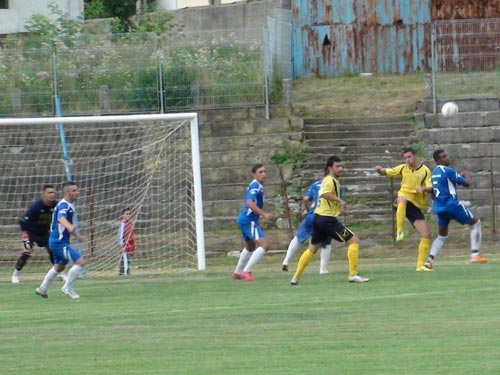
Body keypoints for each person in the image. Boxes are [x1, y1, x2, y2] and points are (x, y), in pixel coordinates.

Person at [291, 155, 369, 285]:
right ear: (330, 168)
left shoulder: (332, 181)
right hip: (327, 220)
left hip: (318, 218)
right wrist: (340, 200)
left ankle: (295, 277)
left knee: (312, 249)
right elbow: (324, 194)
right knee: (354, 240)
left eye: (341, 166)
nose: (340, 169)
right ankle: (353, 274)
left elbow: (325, 200)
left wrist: (340, 209)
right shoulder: (329, 180)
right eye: (337, 166)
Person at [424, 149, 489, 268]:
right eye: (444, 157)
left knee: (442, 236)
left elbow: (433, 193)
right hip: (452, 205)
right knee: (475, 223)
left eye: (446, 156)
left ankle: (429, 260)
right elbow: (467, 184)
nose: (447, 158)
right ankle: (475, 255)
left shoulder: (434, 174)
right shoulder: (448, 170)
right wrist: (467, 175)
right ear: (438, 160)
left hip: (440, 208)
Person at [374, 148, 434, 271]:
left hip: (415, 205)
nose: (407, 160)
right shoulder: (402, 168)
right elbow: (387, 172)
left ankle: (420, 265)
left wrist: (423, 189)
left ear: (415, 156)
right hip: (403, 199)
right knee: (402, 198)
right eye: (405, 158)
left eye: (409, 157)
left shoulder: (425, 170)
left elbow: (430, 187)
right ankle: (399, 231)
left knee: (426, 234)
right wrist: (380, 170)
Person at [35, 181, 87, 299]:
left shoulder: (68, 205)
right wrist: (69, 226)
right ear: (67, 193)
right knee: (81, 262)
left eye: (77, 190)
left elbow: (64, 224)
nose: (77, 192)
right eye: (74, 191)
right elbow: (61, 218)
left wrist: (76, 236)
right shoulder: (64, 205)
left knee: (60, 266)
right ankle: (67, 287)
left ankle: (43, 289)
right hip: (59, 242)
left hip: (56, 241)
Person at [11, 185, 62, 284]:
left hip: (44, 233)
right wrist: (24, 235)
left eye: (53, 193)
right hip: (29, 233)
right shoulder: (36, 206)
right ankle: (15, 274)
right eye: (49, 193)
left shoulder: (56, 205)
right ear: (43, 194)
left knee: (53, 250)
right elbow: (23, 221)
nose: (52, 195)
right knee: (27, 251)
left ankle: (58, 272)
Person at [281, 178, 333, 274]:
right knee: (326, 243)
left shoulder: (315, 184)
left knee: (298, 238)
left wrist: (308, 210)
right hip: (323, 216)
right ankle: (323, 269)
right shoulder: (334, 185)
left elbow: (305, 199)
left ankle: (286, 260)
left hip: (311, 216)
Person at [232, 164, 273, 282]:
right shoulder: (255, 186)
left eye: (265, 171)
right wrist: (264, 214)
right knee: (265, 245)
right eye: (260, 172)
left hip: (246, 219)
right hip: (247, 219)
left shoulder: (256, 185)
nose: (264, 174)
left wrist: (257, 220)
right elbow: (250, 203)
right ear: (254, 174)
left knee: (250, 246)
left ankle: (237, 273)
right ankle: (247, 271)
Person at [118, 207, 136, 275]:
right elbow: (120, 235)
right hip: (124, 245)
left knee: (127, 259)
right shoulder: (123, 224)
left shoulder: (130, 223)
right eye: (126, 214)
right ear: (123, 215)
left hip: (129, 245)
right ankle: (125, 272)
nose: (128, 215)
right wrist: (121, 245)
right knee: (125, 259)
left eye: (129, 214)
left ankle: (124, 272)